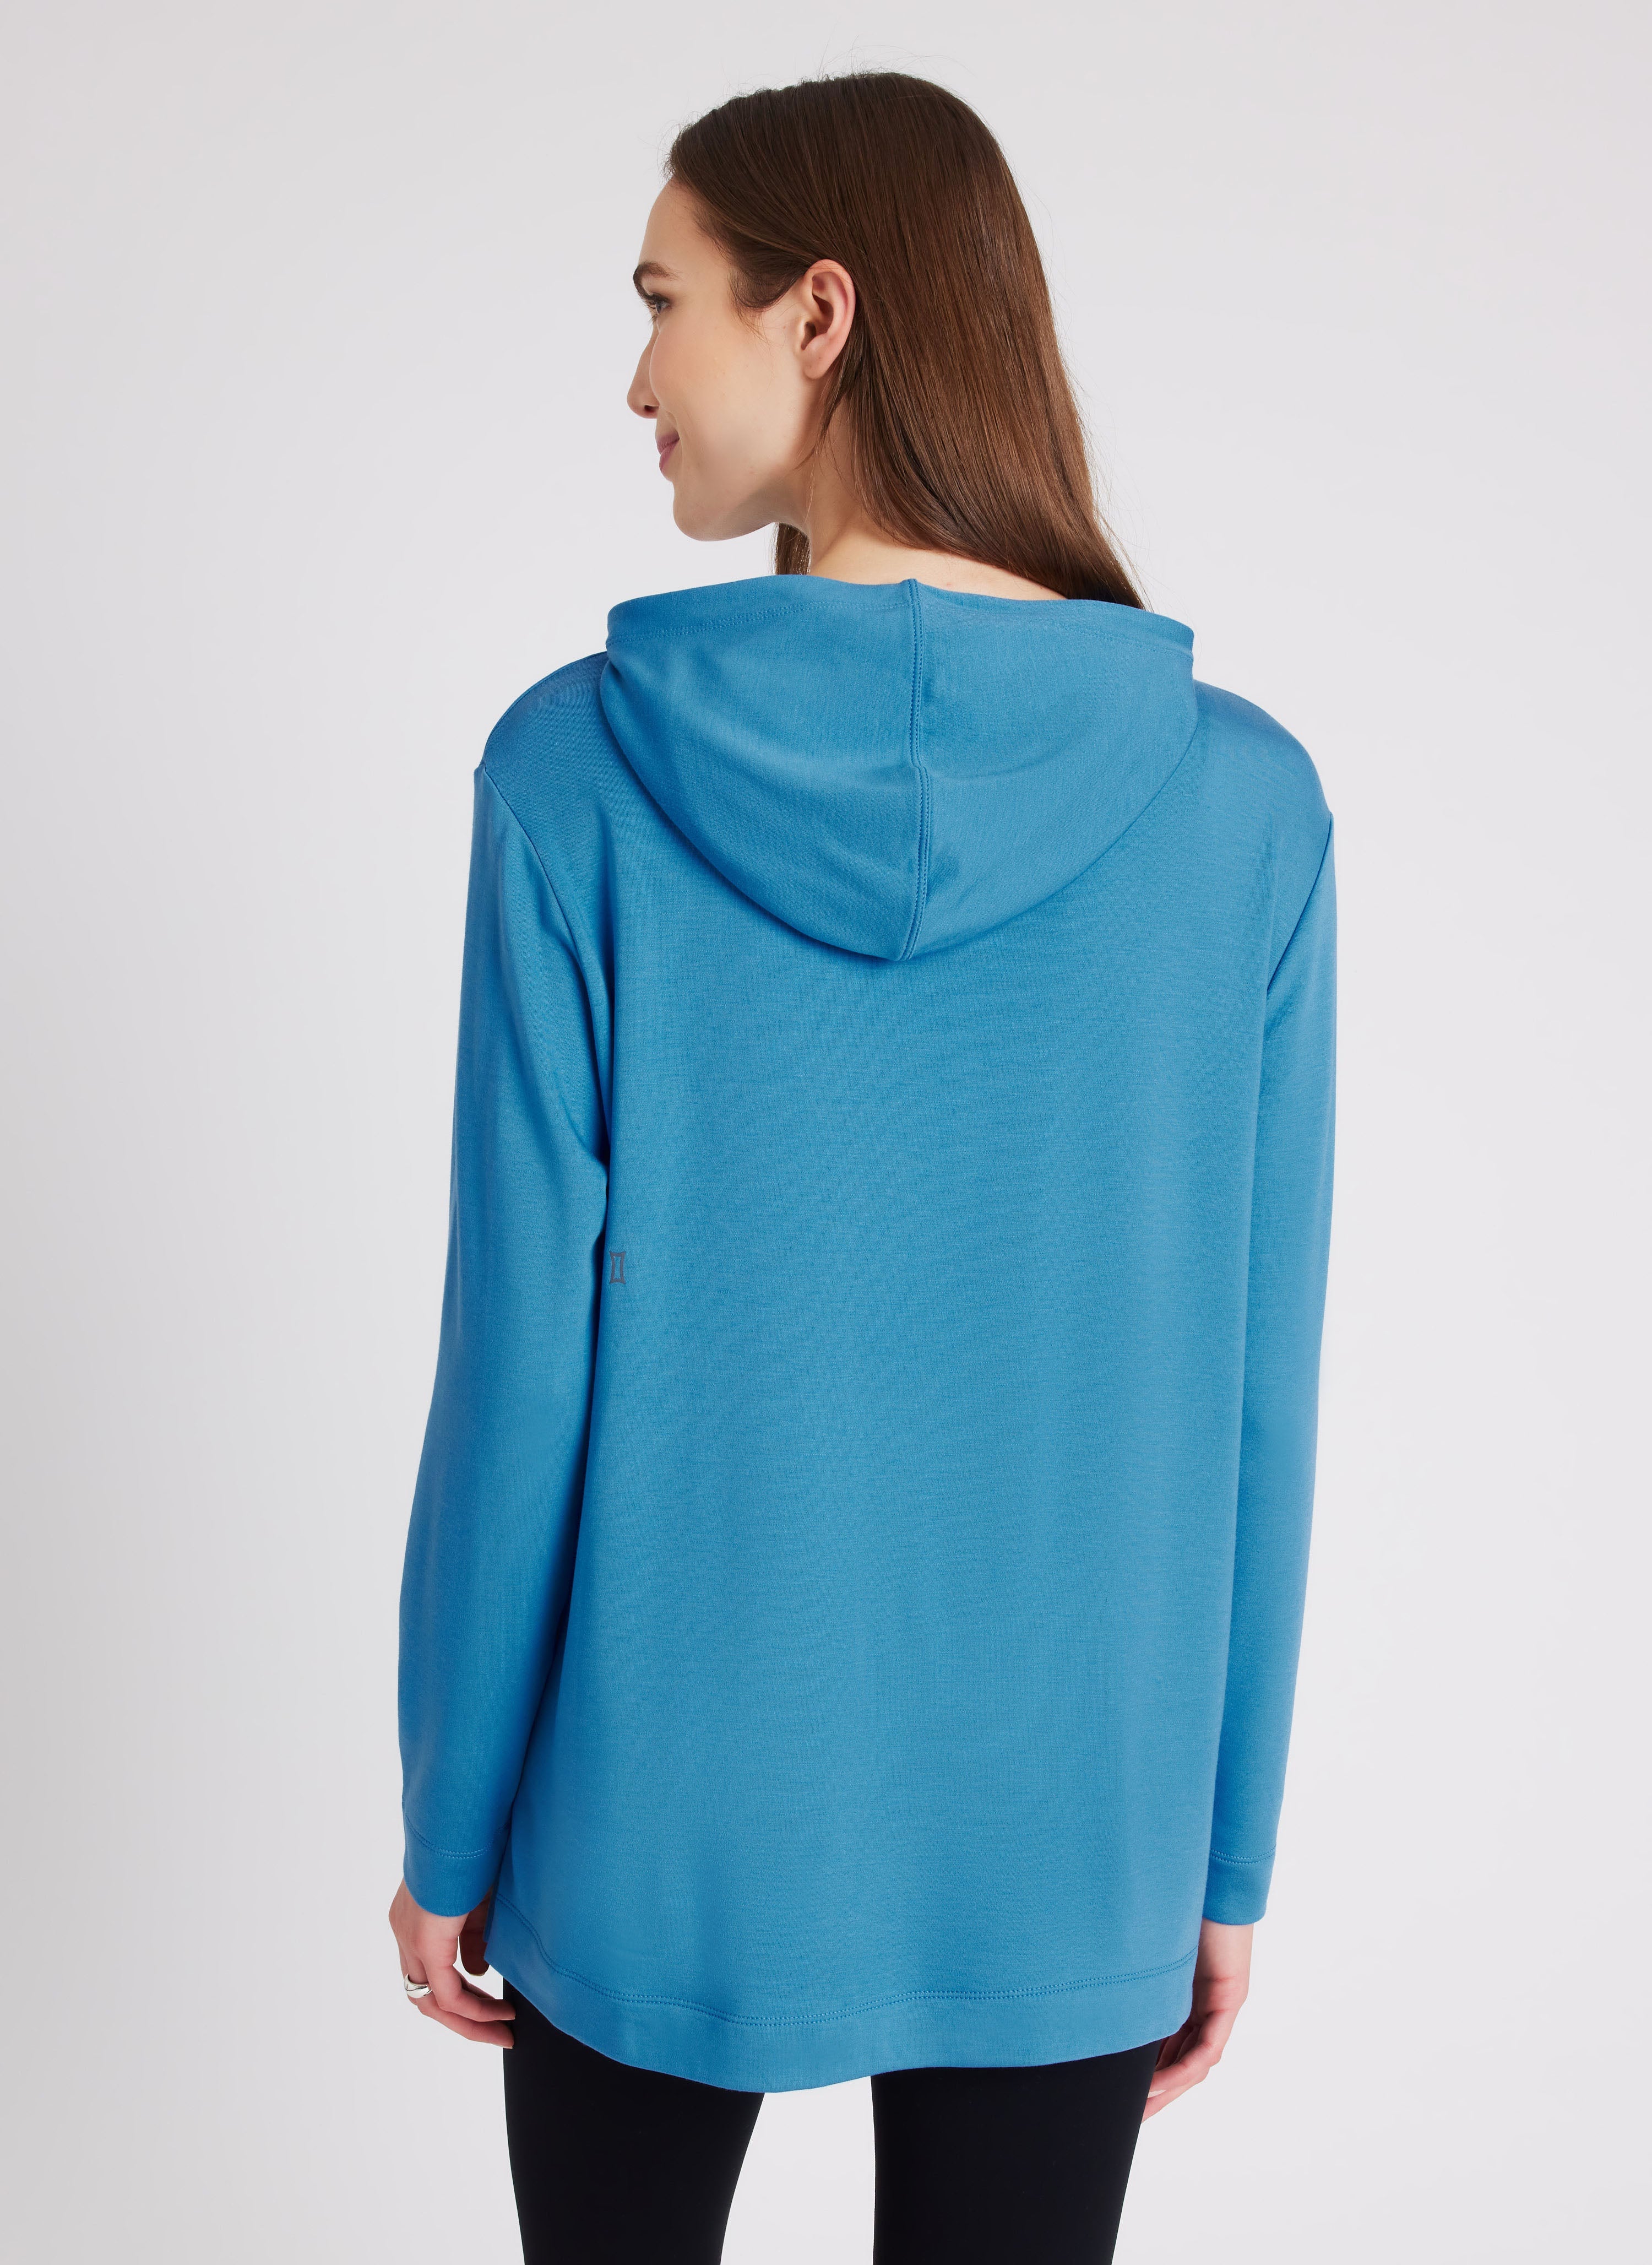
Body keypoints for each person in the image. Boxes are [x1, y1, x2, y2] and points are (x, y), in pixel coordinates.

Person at [390, 70, 1335, 2265]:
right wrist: (1221, 1855)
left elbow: (521, 1367)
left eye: (663, 301)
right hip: (1073, 1823)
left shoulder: (573, 776)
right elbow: (1254, 1400)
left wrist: (453, 1816)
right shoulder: (1245, 812)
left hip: (653, 1812)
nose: (636, 376)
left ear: (818, 315)